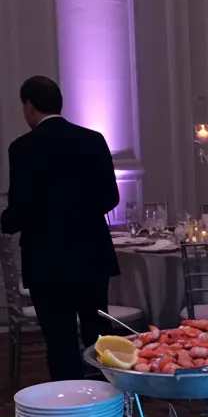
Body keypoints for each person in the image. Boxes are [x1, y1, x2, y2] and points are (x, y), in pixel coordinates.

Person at [1, 76, 120, 380]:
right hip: (91, 254)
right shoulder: (93, 139)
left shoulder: (22, 148)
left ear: (29, 105)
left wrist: (7, 222)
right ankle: (107, 403)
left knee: (59, 340)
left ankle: (68, 410)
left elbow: (20, 210)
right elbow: (110, 198)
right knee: (98, 336)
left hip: (46, 260)